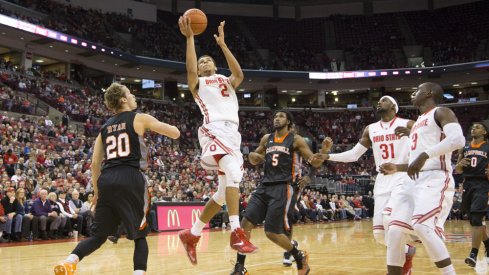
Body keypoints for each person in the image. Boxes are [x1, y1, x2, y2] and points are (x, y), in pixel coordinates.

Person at [54, 83, 180, 275]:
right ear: (123, 99)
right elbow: (175, 133)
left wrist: (96, 192)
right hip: (131, 176)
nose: (134, 97)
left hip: (107, 180)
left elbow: (95, 163)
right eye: (130, 93)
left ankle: (69, 261)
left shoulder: (104, 128)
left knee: (99, 236)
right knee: (140, 236)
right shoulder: (139, 118)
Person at [177, 15, 256, 265]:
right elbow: (189, 70)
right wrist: (190, 39)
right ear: (200, 69)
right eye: (202, 61)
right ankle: (235, 231)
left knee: (223, 193)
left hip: (233, 134)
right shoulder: (198, 83)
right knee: (233, 172)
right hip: (213, 130)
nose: (205, 62)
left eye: (208, 59)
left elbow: (239, 74)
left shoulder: (226, 80)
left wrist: (222, 45)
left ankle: (192, 234)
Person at [320, 96, 416, 273]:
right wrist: (328, 156)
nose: (380, 102)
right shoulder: (370, 129)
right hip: (381, 180)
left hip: (403, 178)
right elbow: (354, 155)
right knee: (379, 235)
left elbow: (427, 142)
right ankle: (406, 251)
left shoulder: (408, 124)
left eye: (384, 100)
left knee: (391, 221)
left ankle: (397, 267)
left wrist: (415, 135)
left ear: (394, 107)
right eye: (378, 101)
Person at [381, 82, 465, 275]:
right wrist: (397, 167)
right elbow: (416, 161)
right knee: (394, 231)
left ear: (428, 93)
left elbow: (458, 140)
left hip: (435, 178)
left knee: (422, 225)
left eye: (416, 90)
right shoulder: (418, 121)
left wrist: (425, 154)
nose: (412, 92)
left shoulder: (442, 112)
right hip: (413, 180)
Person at [231, 110, 324, 275]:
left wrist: (311, 173)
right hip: (264, 185)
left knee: (272, 232)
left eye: (281, 116)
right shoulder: (267, 139)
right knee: (246, 223)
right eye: (275, 116)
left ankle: (298, 256)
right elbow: (253, 157)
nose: (277, 118)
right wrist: (253, 156)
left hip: (284, 187)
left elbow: (314, 161)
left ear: (288, 121)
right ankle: (240, 267)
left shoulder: (295, 139)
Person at [455, 122, 489, 267]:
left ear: (485, 132)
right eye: (472, 127)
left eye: (477, 127)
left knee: (476, 218)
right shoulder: (465, 147)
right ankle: (488, 244)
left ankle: (473, 254)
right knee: (473, 220)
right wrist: (460, 163)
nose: (473, 128)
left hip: (483, 184)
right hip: (468, 184)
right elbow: (458, 171)